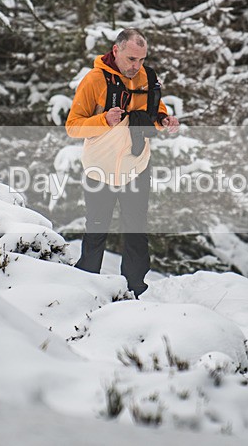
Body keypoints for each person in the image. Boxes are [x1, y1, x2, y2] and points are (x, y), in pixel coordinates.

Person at [65, 29, 179, 297]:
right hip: (99, 168)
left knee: (137, 233)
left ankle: (136, 291)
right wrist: (104, 120)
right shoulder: (94, 80)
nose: (136, 66)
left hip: (136, 166)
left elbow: (156, 112)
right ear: (115, 51)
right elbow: (73, 126)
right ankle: (85, 290)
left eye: (141, 59)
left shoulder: (147, 77)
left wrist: (165, 121)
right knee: (96, 231)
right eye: (131, 59)